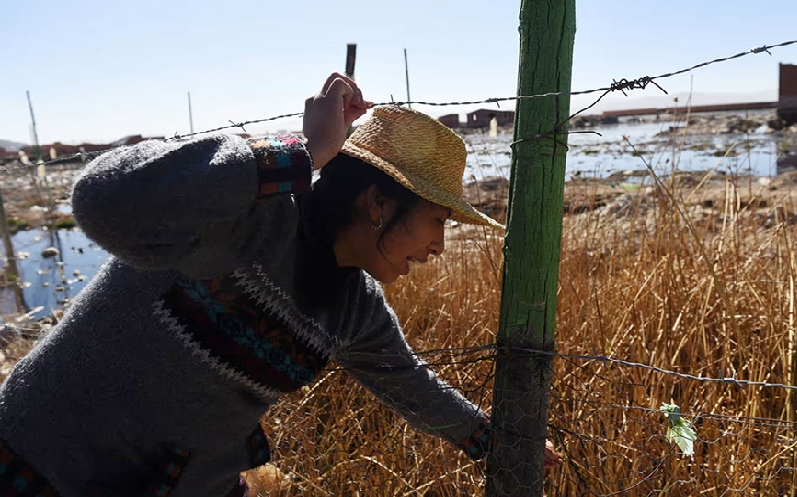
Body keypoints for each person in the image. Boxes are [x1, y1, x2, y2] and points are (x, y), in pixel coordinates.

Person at [0, 73, 561, 497]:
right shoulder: (246, 219)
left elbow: (409, 387)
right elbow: (101, 200)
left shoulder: (355, 311)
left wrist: (499, 443)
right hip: (41, 465)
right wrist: (302, 150)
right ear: (379, 203)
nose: (440, 244)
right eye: (438, 219)